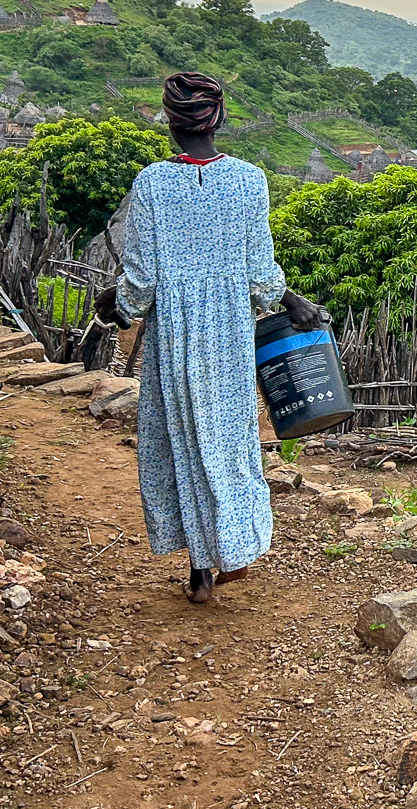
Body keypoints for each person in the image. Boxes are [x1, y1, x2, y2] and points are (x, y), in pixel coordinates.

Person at [94, 72, 328, 604]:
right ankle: (231, 550)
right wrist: (294, 303)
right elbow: (260, 270)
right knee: (227, 440)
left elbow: (142, 277)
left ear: (170, 122)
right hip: (227, 333)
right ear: (218, 119)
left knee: (179, 442)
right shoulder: (249, 181)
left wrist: (120, 308)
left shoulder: (152, 184)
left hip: (173, 333)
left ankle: (200, 571)